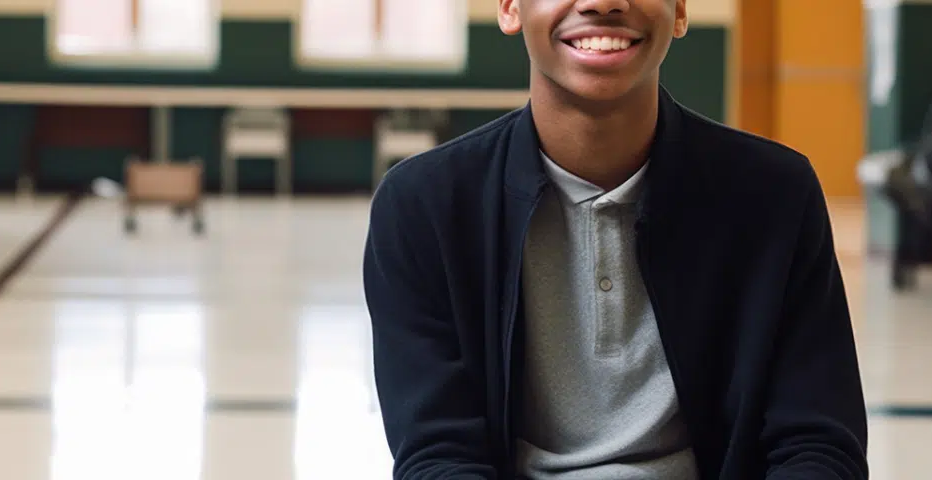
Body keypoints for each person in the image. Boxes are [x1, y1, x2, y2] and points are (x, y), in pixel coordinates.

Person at [361, 0, 869, 478]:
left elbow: (819, 444)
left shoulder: (776, 195)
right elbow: (436, 456)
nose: (602, 1)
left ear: (681, 9)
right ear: (510, 6)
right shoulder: (423, 206)